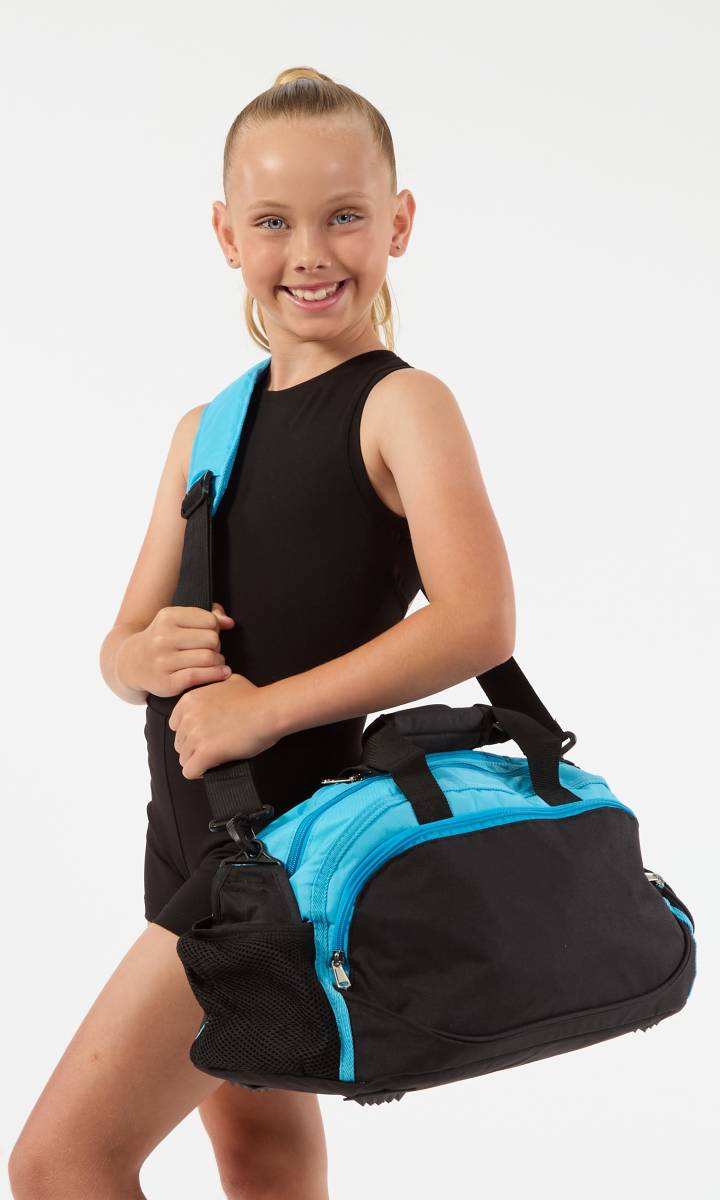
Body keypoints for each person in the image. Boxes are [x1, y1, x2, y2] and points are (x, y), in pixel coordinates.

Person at [8, 66, 515, 1200]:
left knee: (60, 1164)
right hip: (189, 839)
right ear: (226, 234)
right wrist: (138, 658)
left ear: (400, 222)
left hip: (285, 849)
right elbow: (121, 642)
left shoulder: (402, 405)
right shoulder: (208, 428)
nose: (310, 253)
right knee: (262, 1155)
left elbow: (480, 620)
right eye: (275, 222)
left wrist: (262, 711)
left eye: (345, 217)